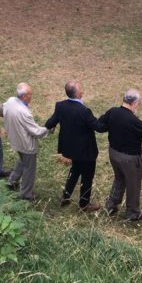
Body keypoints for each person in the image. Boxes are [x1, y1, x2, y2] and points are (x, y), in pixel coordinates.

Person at [96, 89, 142, 222]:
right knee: (133, 184)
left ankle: (111, 204)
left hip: (113, 153)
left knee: (119, 178)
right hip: (130, 159)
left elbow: (101, 124)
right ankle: (132, 212)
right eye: (139, 102)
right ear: (135, 103)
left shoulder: (113, 111)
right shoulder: (133, 120)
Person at [44, 80, 102, 213]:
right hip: (86, 151)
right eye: (81, 89)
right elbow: (98, 127)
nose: (83, 91)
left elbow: (50, 122)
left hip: (70, 149)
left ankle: (66, 195)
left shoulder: (60, 106)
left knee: (75, 170)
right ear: (77, 94)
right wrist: (108, 118)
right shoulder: (84, 111)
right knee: (87, 176)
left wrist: (49, 126)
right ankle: (84, 204)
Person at [3, 83, 48, 201]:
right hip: (26, 144)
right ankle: (26, 193)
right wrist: (48, 129)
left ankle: (12, 180)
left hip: (15, 139)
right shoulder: (24, 112)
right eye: (30, 95)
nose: (31, 97)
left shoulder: (10, 101)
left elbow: (3, 110)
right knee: (29, 169)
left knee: (22, 161)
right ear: (24, 96)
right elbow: (36, 132)